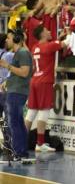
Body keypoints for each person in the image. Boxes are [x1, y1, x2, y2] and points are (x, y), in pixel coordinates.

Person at [24, 25, 69, 152]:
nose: (49, 31)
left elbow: (52, 46)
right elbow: (66, 43)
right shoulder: (49, 46)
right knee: (44, 111)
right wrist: (70, 33)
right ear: (42, 34)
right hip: (44, 82)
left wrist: (57, 39)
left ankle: (20, 140)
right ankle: (40, 143)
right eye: (47, 30)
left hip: (34, 81)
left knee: (31, 112)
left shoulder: (35, 47)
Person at [0, 29, 32, 159]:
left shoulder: (23, 53)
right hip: (15, 90)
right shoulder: (20, 53)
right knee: (17, 122)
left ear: (16, 39)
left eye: (8, 38)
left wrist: (7, 66)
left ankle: (18, 151)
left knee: (14, 122)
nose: (6, 40)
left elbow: (24, 72)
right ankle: (21, 151)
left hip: (17, 92)